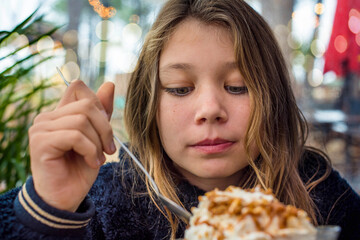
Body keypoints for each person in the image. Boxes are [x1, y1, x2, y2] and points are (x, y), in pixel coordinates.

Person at [1, 0, 360, 239]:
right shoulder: (100, 201)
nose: (209, 109)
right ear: (148, 104)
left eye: (237, 86)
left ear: (274, 99)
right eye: (179, 88)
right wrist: (47, 207)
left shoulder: (322, 194)